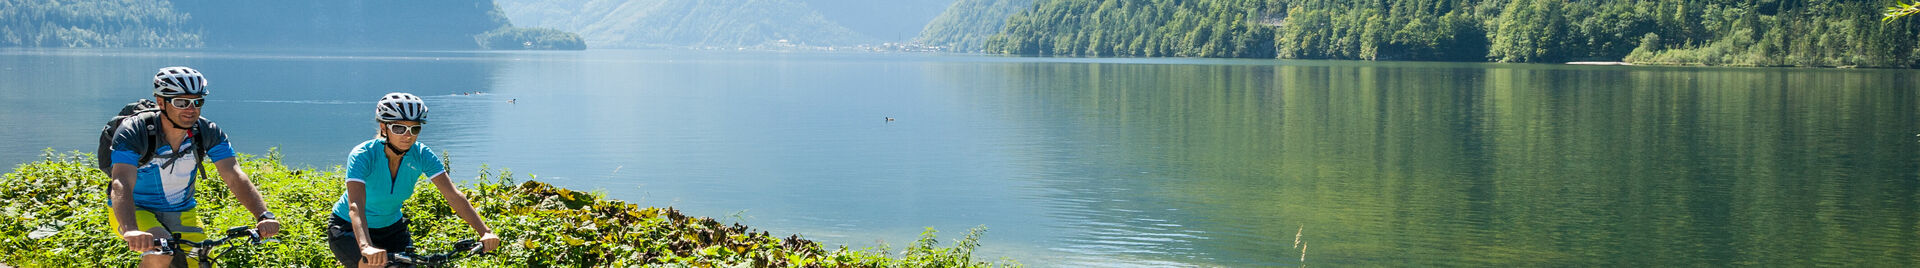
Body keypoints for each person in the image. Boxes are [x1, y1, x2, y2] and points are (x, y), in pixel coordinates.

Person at [109, 66, 282, 268]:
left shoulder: (207, 132)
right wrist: (131, 229)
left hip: (182, 211)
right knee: (161, 251)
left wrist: (263, 215)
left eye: (197, 102)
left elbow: (234, 175)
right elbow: (121, 181)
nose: (191, 109)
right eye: (181, 102)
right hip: (136, 209)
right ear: (160, 102)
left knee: (203, 260)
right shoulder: (134, 131)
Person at [327, 93, 499, 267]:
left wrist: (485, 232)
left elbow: (453, 196)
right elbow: (355, 204)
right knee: (372, 265)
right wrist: (366, 246)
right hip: (349, 229)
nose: (408, 135)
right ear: (384, 128)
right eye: (399, 128)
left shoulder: (421, 154)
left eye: (414, 129)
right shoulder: (363, 155)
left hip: (392, 229)